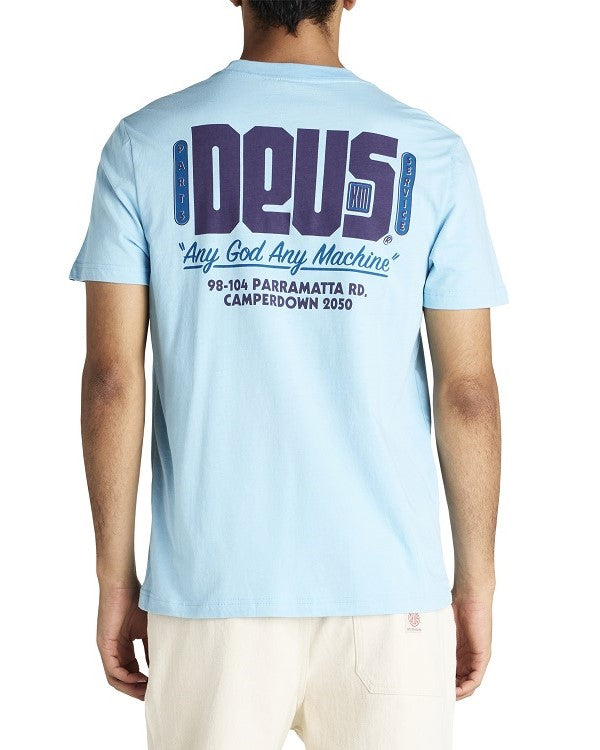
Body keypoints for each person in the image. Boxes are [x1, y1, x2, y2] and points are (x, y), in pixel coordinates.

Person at [68, 1, 507, 748]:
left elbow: (113, 379)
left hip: (210, 592)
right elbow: (466, 393)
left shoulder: (146, 143)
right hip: (388, 594)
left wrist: (116, 578)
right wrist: (476, 582)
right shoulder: (429, 152)